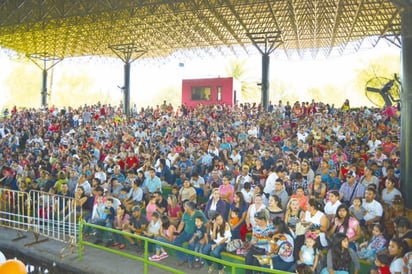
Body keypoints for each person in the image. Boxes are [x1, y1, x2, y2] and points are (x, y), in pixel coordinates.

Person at [173, 201, 208, 266]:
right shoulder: (185, 214)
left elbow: (207, 224)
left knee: (191, 245)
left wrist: (204, 237)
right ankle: (183, 258)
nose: (184, 208)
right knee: (175, 242)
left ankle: (190, 261)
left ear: (188, 208)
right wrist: (178, 231)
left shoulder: (199, 213)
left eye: (185, 207)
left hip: (195, 234)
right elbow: (182, 223)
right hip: (185, 232)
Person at [244, 210, 275, 274]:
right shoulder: (255, 227)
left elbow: (270, 240)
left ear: (263, 220)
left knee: (256, 262)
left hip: (265, 250)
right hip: (255, 248)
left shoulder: (271, 227)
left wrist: (259, 241)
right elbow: (254, 238)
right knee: (248, 260)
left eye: (257, 221)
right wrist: (253, 241)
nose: (256, 222)